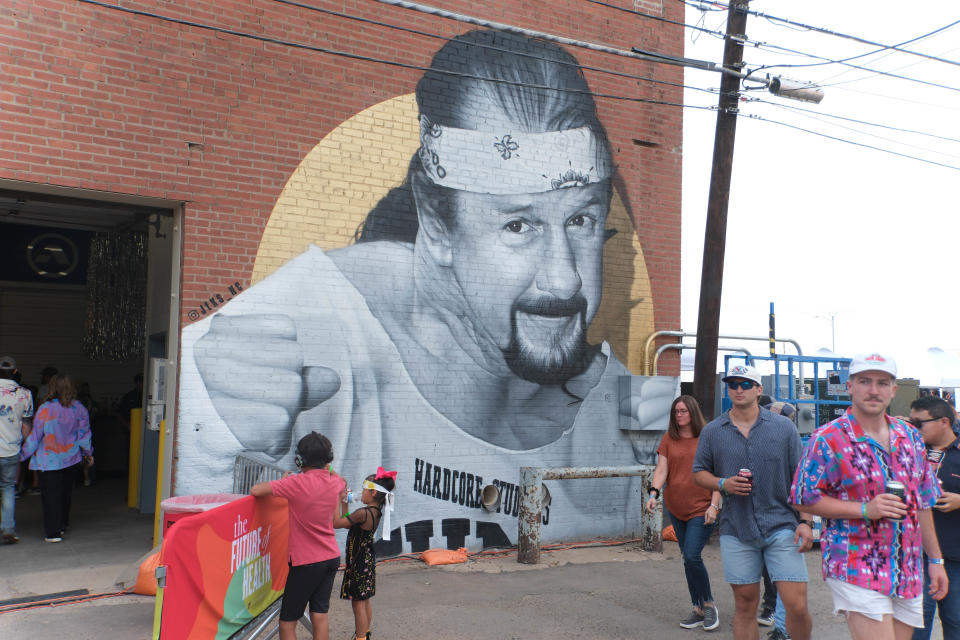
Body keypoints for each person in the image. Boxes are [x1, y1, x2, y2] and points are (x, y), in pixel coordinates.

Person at [178, 28, 673, 548]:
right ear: (437, 225)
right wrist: (210, 449)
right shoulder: (289, 345)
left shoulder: (626, 396)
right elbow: (197, 575)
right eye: (519, 226)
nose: (565, 277)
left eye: (581, 220)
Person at [790, 353, 947, 640]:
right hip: (855, 562)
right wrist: (864, 509)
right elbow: (803, 497)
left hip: (907, 568)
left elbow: (923, 502)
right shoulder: (827, 438)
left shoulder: (911, 437)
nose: (874, 390)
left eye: (882, 383)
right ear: (849, 386)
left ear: (893, 390)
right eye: (865, 381)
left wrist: (936, 561)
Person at [693, 364, 813, 640]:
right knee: (745, 606)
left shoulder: (783, 428)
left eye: (745, 384)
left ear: (759, 390)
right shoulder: (713, 431)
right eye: (733, 384)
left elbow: (800, 478)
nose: (738, 389)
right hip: (737, 528)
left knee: (796, 604)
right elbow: (698, 473)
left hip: (782, 524)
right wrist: (723, 484)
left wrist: (806, 522)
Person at [251, 432, 344, 640]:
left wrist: (282, 482)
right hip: (331, 557)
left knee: (287, 623)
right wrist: (327, 469)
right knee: (320, 616)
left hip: (306, 563)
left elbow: (256, 490)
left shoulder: (295, 484)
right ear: (328, 459)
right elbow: (338, 479)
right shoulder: (335, 482)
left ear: (299, 460)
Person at [646, 395, 722, 631]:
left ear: (692, 412)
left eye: (683, 411)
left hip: (702, 508)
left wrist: (714, 505)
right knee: (688, 560)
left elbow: (718, 474)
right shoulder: (670, 438)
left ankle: (708, 604)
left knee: (691, 556)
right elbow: (662, 469)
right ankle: (697, 608)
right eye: (675, 412)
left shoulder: (707, 437)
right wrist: (653, 493)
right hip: (676, 508)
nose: (679, 415)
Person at [907, 396, 960, 640]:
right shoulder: (909, 454)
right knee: (916, 625)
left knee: (956, 623)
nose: (913, 428)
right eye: (910, 422)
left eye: (919, 423)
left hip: (956, 559)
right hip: (917, 557)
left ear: (944, 422)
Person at [20, 374, 93, 543]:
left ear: (53, 388)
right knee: (65, 494)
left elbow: (36, 436)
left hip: (49, 460)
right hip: (71, 458)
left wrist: (23, 455)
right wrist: (88, 453)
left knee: (50, 496)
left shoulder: (46, 409)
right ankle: (62, 524)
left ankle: (53, 532)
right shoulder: (79, 408)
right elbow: (84, 434)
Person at [334, 467, 397, 640]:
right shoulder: (373, 512)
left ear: (374, 493)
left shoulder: (362, 513)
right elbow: (347, 522)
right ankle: (366, 633)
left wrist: (334, 499)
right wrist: (344, 502)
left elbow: (337, 523)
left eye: (364, 489)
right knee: (364, 600)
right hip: (366, 561)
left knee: (357, 604)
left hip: (359, 563)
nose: (361, 492)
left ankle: (361, 638)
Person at [0, 356, 34, 544]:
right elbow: (27, 425)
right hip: (11, 449)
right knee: (7, 489)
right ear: (15, 371)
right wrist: (25, 447)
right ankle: (8, 529)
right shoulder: (25, 394)